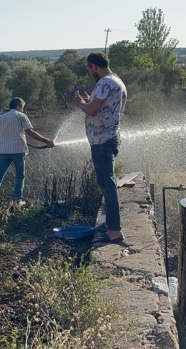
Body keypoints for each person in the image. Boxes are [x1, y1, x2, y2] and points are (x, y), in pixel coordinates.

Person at [72, 52, 127, 244]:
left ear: (95, 66)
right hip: (108, 137)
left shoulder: (105, 83)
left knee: (108, 183)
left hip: (103, 141)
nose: (90, 72)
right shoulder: (116, 81)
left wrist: (80, 103)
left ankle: (114, 230)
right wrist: (89, 100)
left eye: (89, 68)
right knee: (106, 182)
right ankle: (110, 224)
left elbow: (92, 110)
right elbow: (100, 108)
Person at [0, 97, 55, 203]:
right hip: (18, 151)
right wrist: (47, 141)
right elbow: (30, 132)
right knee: (20, 176)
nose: (23, 109)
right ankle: (17, 201)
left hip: (3, 152)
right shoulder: (21, 116)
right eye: (22, 107)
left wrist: (0, 141)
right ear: (18, 106)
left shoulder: (1, 117)